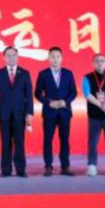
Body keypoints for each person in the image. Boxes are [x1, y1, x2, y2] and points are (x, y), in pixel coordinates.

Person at [0, 46, 33, 178]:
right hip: (4, 113)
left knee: (19, 143)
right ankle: (6, 170)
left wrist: (30, 112)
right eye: (8, 55)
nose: (11, 58)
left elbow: (29, 95)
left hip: (20, 114)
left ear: (17, 57)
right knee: (5, 143)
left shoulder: (25, 73)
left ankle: (21, 170)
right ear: (4, 57)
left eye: (14, 55)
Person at [34, 46, 77, 176]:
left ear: (61, 58)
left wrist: (65, 102)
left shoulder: (68, 73)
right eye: (52, 56)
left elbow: (73, 92)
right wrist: (49, 103)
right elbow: (37, 93)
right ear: (48, 58)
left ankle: (65, 166)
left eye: (58, 56)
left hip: (64, 112)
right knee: (48, 139)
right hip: (49, 112)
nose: (55, 59)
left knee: (65, 140)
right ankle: (48, 166)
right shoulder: (43, 74)